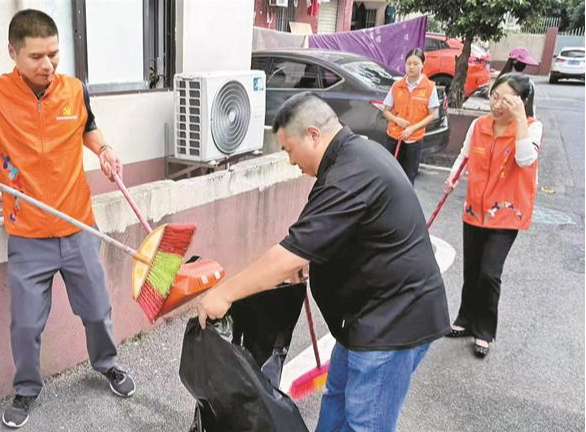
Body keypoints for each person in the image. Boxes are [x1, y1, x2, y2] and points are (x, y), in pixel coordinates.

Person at [197, 92, 451, 432]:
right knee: (336, 401)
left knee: (366, 423)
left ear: (313, 134)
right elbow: (328, 235)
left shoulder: (353, 171)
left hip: (391, 323)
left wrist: (224, 294)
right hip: (363, 319)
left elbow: (290, 253)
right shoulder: (348, 159)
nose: (289, 161)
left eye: (288, 149)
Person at [0, 9, 135, 429]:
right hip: (27, 234)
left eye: (54, 55)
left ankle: (108, 365)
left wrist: (104, 150)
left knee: (97, 310)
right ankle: (26, 389)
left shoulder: (74, 90)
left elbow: (88, 127)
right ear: (13, 53)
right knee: (25, 324)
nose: (48, 65)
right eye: (37, 56)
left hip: (76, 224)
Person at [444, 73, 542, 359]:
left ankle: (484, 330)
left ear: (522, 102)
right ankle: (464, 319)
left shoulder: (532, 128)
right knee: (472, 270)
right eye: (494, 97)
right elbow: (464, 155)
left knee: (489, 273)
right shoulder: (479, 125)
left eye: (506, 99)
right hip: (475, 209)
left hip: (506, 215)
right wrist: (452, 179)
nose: (497, 104)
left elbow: (525, 159)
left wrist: (520, 118)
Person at [382, 48, 440, 185]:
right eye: (409, 63)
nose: (412, 67)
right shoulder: (397, 86)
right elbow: (385, 111)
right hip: (394, 137)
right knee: (389, 175)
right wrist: (396, 120)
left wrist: (412, 128)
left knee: (408, 177)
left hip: (414, 140)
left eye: (416, 63)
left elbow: (433, 114)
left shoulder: (430, 87)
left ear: (423, 65)